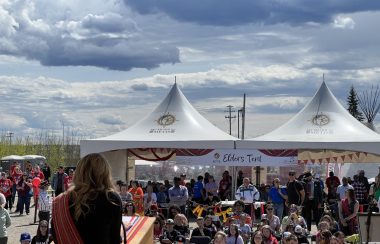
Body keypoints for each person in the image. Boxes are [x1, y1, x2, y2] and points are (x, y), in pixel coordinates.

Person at [51, 153, 122, 244]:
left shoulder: (60, 201)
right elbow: (114, 240)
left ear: (79, 172)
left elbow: (56, 236)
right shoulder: (111, 199)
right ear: (105, 173)